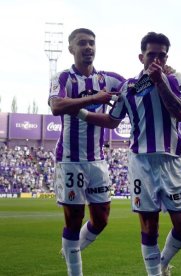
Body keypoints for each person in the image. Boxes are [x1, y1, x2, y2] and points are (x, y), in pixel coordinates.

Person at [76, 32, 181, 276]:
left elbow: (180, 112)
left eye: (162, 55)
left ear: (167, 57)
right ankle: (154, 273)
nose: (157, 59)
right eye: (152, 54)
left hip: (171, 160)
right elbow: (112, 119)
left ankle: (162, 262)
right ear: (141, 57)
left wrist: (160, 80)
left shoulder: (175, 79)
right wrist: (81, 112)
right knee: (149, 226)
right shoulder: (130, 87)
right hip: (141, 162)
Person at [48, 28, 125, 276]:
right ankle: (75, 271)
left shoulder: (108, 78)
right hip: (70, 160)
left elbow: (135, 87)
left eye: (92, 43)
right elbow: (56, 105)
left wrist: (157, 75)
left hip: (97, 160)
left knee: (101, 219)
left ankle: (71, 250)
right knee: (74, 219)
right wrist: (95, 98)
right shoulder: (63, 78)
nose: (88, 47)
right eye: (82, 43)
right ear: (72, 49)